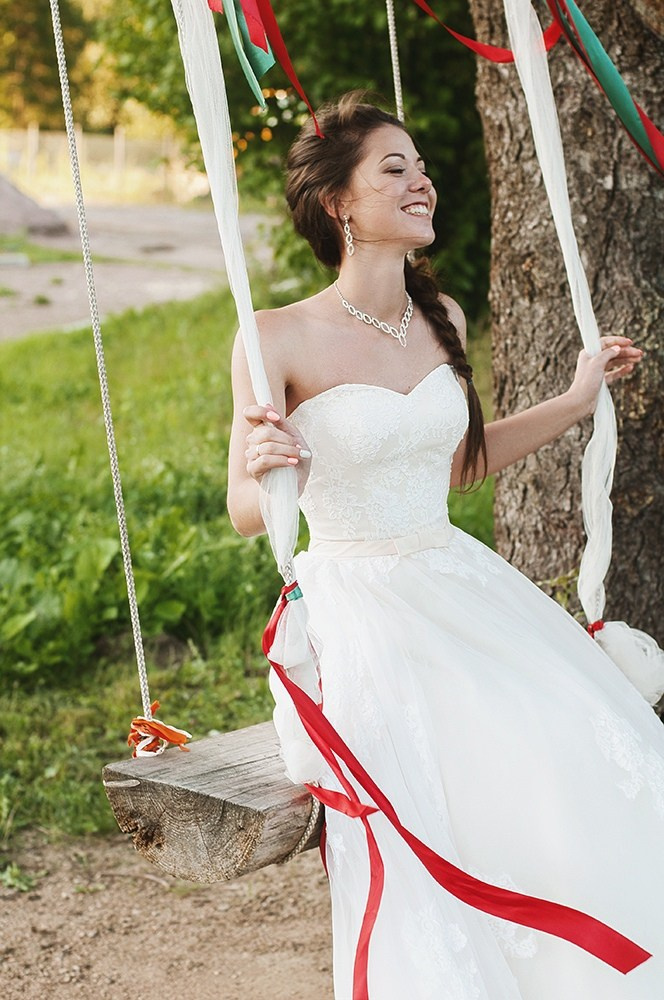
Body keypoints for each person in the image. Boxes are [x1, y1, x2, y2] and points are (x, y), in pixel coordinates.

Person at [227, 92, 664, 999]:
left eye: (419, 165)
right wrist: (266, 465)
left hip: (456, 578)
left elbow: (460, 463)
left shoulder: (444, 320)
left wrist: (579, 399)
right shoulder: (272, 337)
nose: (421, 180)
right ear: (341, 203)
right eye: (394, 168)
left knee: (581, 739)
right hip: (359, 605)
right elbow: (245, 508)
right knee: (454, 785)